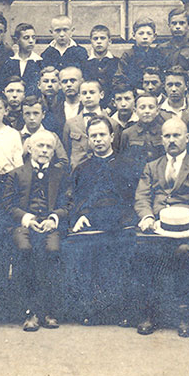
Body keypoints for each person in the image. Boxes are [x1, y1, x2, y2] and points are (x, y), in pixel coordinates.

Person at [133, 117, 189, 337]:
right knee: (142, 252)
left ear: (187, 138)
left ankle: (184, 315)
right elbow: (142, 196)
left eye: (176, 135)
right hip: (156, 229)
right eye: (167, 136)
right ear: (161, 139)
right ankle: (150, 313)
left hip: (185, 231)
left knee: (184, 253)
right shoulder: (151, 166)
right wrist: (146, 217)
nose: (171, 140)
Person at [2, 130, 73, 331]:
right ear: (30, 148)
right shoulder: (16, 174)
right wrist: (26, 218)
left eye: (48, 147)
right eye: (40, 146)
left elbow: (68, 203)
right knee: (25, 251)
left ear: (53, 151)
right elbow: (7, 205)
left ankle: (49, 311)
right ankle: (29, 311)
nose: (44, 150)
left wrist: (54, 218)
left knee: (52, 251)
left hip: (50, 224)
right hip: (23, 224)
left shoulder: (61, 175)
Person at [69, 117, 134, 325]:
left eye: (102, 135)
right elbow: (75, 199)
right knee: (87, 252)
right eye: (94, 136)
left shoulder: (126, 165)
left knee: (121, 253)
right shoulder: (82, 168)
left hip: (120, 222)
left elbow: (133, 199)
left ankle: (121, 310)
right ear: (88, 140)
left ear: (112, 137)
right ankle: (93, 310)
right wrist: (80, 216)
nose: (98, 140)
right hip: (92, 223)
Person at [62, 79, 119, 169]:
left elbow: (115, 149)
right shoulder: (71, 123)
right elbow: (66, 149)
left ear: (101, 95)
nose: (88, 96)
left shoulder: (113, 123)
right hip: (78, 173)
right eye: (84, 93)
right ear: (79, 97)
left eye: (92, 92)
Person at [20, 95, 69, 169]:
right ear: (23, 115)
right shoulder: (15, 136)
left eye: (36, 113)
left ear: (43, 115)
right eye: (27, 113)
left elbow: (64, 161)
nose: (31, 118)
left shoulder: (52, 136)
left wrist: (48, 171)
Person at [158, 8, 189, 80]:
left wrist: (182, 73)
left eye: (182, 23)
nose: (177, 27)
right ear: (169, 26)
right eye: (174, 23)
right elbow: (158, 71)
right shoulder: (161, 48)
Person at [119, 18, 163, 89]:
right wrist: (135, 91)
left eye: (149, 34)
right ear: (133, 35)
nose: (145, 37)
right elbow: (120, 78)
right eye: (141, 33)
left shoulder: (157, 54)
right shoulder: (128, 55)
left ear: (154, 36)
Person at [84, 24, 121, 108]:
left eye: (102, 38)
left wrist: (110, 108)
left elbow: (118, 86)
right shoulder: (85, 64)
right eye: (95, 38)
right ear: (91, 42)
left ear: (109, 41)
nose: (99, 41)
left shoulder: (117, 62)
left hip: (112, 108)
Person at [4, 22, 43, 93]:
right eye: (26, 38)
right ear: (16, 40)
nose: (31, 41)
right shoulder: (9, 62)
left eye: (33, 38)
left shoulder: (40, 62)